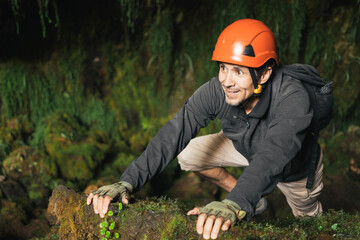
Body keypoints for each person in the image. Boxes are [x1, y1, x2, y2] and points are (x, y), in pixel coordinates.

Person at [87, 19, 324, 240]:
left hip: (292, 167)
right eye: (223, 68)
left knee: (309, 221)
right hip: (243, 145)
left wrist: (236, 203)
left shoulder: (292, 97)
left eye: (238, 71)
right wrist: (127, 182)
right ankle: (256, 202)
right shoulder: (216, 92)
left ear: (264, 74)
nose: (227, 81)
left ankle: (288, 211)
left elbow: (275, 153)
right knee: (189, 154)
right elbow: (173, 134)